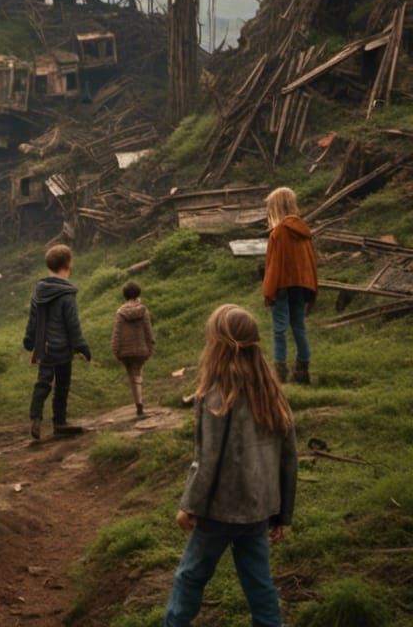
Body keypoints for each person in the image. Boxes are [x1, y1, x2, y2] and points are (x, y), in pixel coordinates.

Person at [165, 304, 297, 627]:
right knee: (259, 583)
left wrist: (189, 506)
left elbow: (206, 459)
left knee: (190, 576)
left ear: (218, 347)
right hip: (258, 511)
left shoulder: (215, 395)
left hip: (220, 511)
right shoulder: (272, 392)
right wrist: (282, 514)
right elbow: (288, 457)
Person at [22, 244, 91, 440]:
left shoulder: (39, 291)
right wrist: (81, 345)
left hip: (44, 346)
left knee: (43, 382)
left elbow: (33, 319)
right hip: (62, 347)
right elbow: (72, 323)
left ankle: (35, 419)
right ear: (68, 263)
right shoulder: (66, 293)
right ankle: (59, 422)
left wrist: (29, 341)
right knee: (62, 385)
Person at [261, 186, 318, 384]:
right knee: (299, 326)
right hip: (300, 286)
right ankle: (303, 370)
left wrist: (269, 291)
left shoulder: (278, 233)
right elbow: (309, 263)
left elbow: (273, 266)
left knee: (279, 329)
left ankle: (280, 372)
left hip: (282, 287)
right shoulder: (303, 231)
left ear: (276, 207)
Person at [111, 281, 156, 418]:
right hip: (141, 350)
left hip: (125, 352)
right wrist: (151, 345)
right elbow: (148, 330)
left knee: (132, 375)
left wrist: (115, 349)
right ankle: (140, 408)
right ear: (138, 293)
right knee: (137, 374)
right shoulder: (143, 310)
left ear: (124, 295)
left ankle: (139, 406)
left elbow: (117, 332)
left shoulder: (120, 312)